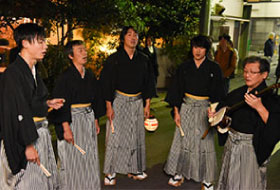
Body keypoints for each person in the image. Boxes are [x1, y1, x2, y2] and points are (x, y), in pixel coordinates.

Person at [0, 23, 64, 190]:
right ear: (25, 43)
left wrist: (48, 104)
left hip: (37, 134)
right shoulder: (13, 73)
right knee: (28, 184)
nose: (45, 46)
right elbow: (16, 111)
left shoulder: (33, 70)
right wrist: (28, 145)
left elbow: (29, 102)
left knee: (42, 182)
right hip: (24, 138)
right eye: (40, 42)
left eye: (45, 42)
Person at [164, 35, 226, 189]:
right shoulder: (184, 67)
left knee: (205, 143)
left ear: (206, 49)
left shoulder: (214, 68)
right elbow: (176, 91)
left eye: (202, 47)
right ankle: (179, 172)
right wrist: (176, 112)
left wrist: (214, 111)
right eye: (195, 47)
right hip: (186, 106)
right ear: (191, 49)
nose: (198, 51)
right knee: (182, 140)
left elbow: (219, 93)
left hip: (206, 109)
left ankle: (207, 178)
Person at [209, 56, 280, 190]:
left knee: (247, 183)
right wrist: (215, 114)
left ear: (264, 75)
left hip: (251, 147)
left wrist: (259, 107)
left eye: (252, 72)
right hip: (232, 143)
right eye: (245, 71)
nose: (247, 75)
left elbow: (275, 127)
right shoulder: (238, 93)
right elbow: (224, 108)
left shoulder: (271, 99)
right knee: (228, 180)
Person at [100, 26, 155, 185]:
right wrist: (109, 106)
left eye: (135, 35)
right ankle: (110, 172)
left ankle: (135, 168)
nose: (133, 38)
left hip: (138, 101)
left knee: (136, 135)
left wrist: (147, 104)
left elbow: (149, 82)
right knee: (115, 136)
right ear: (123, 38)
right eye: (129, 34)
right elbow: (107, 83)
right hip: (119, 100)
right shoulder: (113, 59)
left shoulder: (144, 59)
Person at [49, 40, 104, 190]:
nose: (84, 53)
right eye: (80, 50)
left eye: (85, 50)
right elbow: (61, 105)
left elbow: (96, 99)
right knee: (72, 158)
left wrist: (96, 120)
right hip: (71, 121)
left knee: (89, 155)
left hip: (87, 118)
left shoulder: (90, 75)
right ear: (71, 55)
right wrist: (66, 128)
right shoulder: (64, 77)